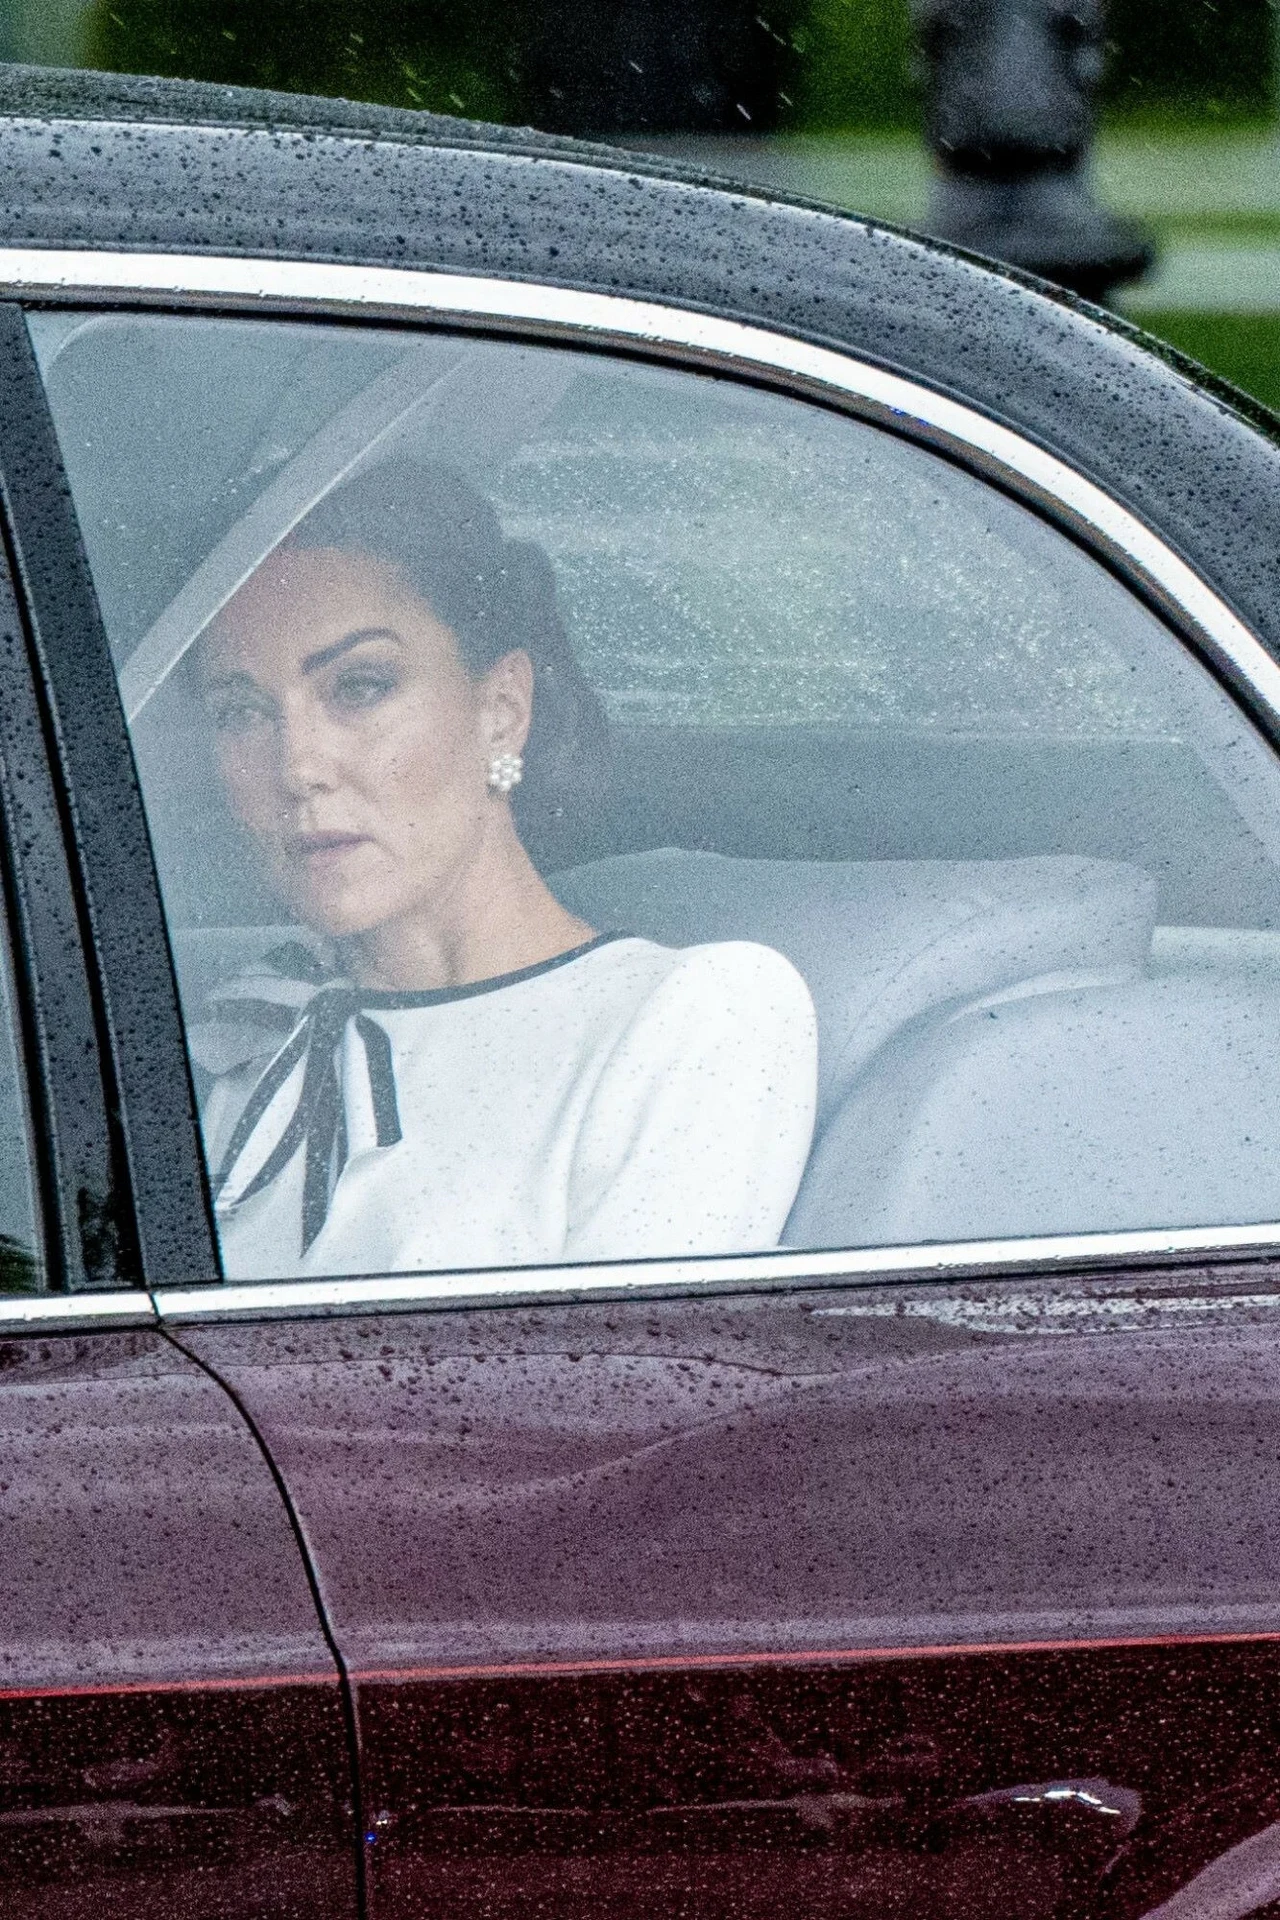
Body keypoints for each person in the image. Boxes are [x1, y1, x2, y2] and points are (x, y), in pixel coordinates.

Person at [191, 461, 817, 1279]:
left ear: (501, 709)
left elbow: (622, 1391)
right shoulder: (247, 1023)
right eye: (242, 712)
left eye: (361, 686)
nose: (297, 765)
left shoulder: (689, 1018)